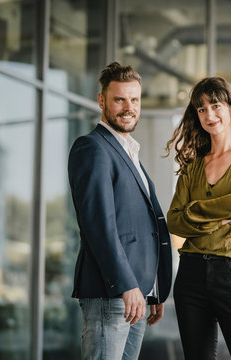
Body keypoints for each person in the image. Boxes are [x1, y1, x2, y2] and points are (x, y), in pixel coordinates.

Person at [68, 61, 172, 360]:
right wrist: (126, 285)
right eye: (120, 99)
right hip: (111, 292)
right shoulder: (92, 148)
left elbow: (140, 224)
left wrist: (152, 288)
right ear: (102, 101)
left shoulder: (131, 153)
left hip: (137, 294)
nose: (129, 107)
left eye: (135, 99)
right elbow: (99, 224)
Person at [165, 76, 231, 360]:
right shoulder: (192, 165)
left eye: (215, 105)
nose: (209, 115)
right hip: (190, 274)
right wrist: (219, 215)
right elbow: (174, 221)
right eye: (201, 109)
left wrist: (194, 212)